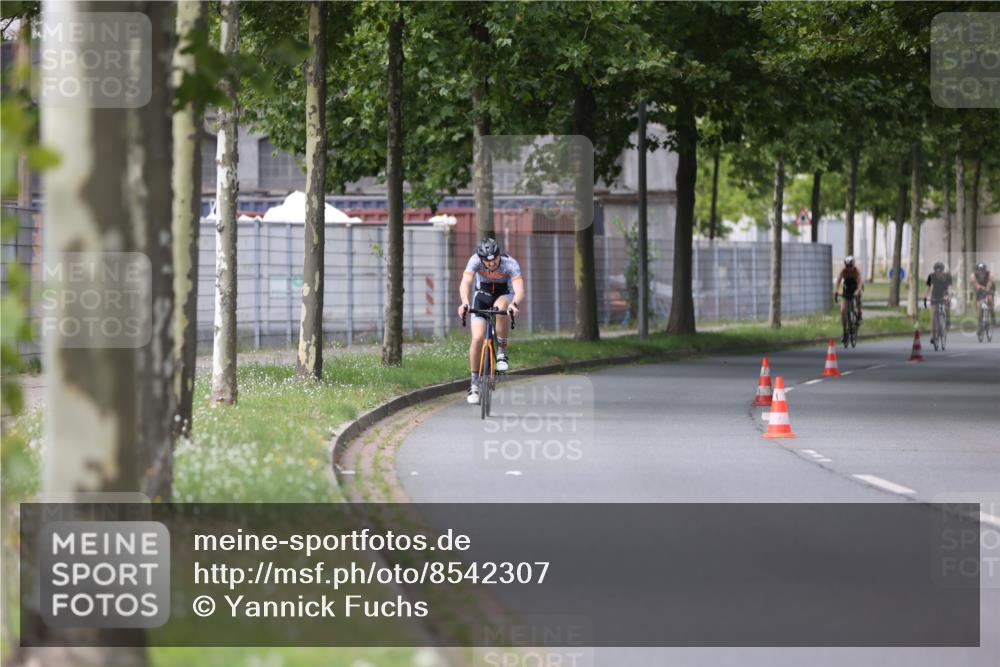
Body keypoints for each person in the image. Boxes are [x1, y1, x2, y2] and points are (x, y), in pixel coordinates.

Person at [457, 238, 526, 405]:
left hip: (504, 294)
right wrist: (465, 302)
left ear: (498, 255)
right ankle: (474, 384)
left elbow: (519, 290)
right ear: (481, 259)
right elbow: (465, 282)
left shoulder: (510, 264)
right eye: (487, 262)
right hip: (482, 296)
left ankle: (501, 352)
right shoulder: (474, 261)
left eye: (494, 260)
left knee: (501, 307)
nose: (491, 264)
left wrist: (514, 304)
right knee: (477, 338)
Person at [834, 255, 864, 344]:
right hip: (847, 290)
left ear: (853, 265)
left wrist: (857, 291)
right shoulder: (843, 271)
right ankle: (845, 333)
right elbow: (838, 281)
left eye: (850, 266)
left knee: (858, 296)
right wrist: (836, 291)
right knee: (843, 310)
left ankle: (859, 314)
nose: (848, 268)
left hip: (855, 288)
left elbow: (860, 283)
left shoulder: (856, 271)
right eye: (847, 266)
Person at [923, 261, 952, 345]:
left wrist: (949, 295)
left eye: (940, 272)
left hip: (944, 294)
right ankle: (933, 335)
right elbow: (927, 288)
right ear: (934, 271)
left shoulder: (948, 277)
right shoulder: (931, 276)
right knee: (933, 315)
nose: (938, 274)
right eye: (937, 272)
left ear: (943, 271)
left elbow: (950, 288)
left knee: (946, 307)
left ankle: (948, 320)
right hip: (935, 295)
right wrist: (925, 297)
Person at [971, 261, 996, 327]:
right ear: (976, 271)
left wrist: (987, 289)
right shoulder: (973, 275)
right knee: (978, 304)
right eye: (979, 271)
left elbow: (990, 282)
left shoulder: (989, 274)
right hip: (979, 288)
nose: (981, 272)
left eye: (983, 271)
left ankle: (993, 316)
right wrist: (979, 286)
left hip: (989, 287)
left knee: (990, 299)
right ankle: (979, 320)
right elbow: (975, 283)